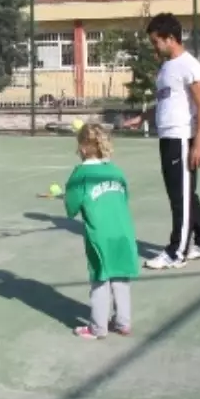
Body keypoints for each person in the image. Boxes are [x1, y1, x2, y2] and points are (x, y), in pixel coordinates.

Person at [125, 12, 200, 270]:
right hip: (167, 136)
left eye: (156, 42)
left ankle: (176, 252)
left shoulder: (189, 65)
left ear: (170, 38)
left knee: (179, 197)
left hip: (181, 137)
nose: (154, 47)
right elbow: (166, 100)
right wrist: (142, 117)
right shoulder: (167, 67)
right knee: (184, 192)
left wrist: (198, 144)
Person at [63, 122, 139, 339]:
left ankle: (97, 328)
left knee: (100, 279)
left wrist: (72, 195)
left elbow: (71, 209)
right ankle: (123, 323)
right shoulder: (116, 171)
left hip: (99, 236)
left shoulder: (80, 174)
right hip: (124, 232)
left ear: (84, 148)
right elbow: (123, 198)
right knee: (121, 278)